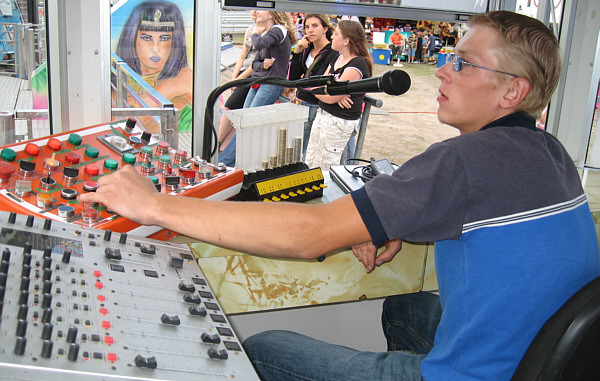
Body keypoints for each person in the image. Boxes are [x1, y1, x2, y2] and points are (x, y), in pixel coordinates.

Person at [79, 11, 599, 381]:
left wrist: (154, 205)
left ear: (513, 92)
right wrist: (393, 223)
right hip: (532, 363)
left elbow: (312, 236)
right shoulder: (549, 154)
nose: (441, 69)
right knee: (408, 303)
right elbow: (491, 220)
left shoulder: (466, 161)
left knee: (262, 350)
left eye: (463, 63)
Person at [219, 11, 297, 166]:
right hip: (258, 81)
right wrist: (263, 64)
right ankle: (229, 161)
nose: (258, 12)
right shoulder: (268, 33)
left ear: (272, 14)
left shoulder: (278, 30)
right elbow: (255, 63)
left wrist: (256, 33)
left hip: (270, 83)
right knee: (242, 124)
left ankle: (225, 162)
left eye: (263, 9)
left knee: (246, 125)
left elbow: (259, 44)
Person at [304, 19, 372, 170]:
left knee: (325, 166)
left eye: (335, 34)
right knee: (310, 159)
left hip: (338, 121)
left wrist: (329, 94)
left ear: (346, 40)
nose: (332, 37)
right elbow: (322, 85)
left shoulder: (357, 64)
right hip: (323, 115)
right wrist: (328, 93)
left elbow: (330, 96)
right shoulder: (337, 58)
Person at [116, 1, 192, 133]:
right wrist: (172, 87)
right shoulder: (119, 78)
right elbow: (120, 123)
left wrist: (175, 85)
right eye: (146, 38)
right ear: (132, 38)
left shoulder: (186, 78)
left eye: (164, 38)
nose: (155, 48)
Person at [288, 14, 339, 157]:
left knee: (307, 151)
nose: (310, 30)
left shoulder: (332, 52)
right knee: (297, 148)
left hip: (316, 105)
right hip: (302, 103)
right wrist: (297, 53)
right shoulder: (306, 49)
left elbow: (319, 79)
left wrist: (304, 80)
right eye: (307, 27)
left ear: (325, 29)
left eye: (315, 26)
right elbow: (292, 78)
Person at [217, 10, 261, 156]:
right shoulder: (249, 30)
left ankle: (215, 144)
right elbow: (242, 54)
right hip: (242, 76)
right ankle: (220, 152)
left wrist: (238, 79)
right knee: (233, 114)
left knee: (230, 109)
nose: (255, 11)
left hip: (252, 77)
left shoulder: (268, 33)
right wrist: (233, 77)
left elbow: (256, 63)